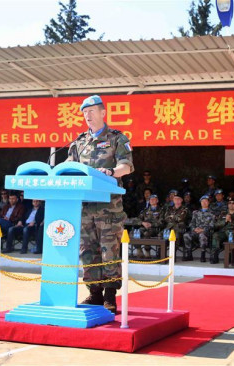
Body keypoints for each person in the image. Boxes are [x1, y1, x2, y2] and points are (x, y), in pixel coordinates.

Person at [66, 95, 134, 313]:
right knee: (88, 251)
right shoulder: (78, 142)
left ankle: (110, 295)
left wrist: (112, 172)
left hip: (109, 209)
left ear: (103, 113)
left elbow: (127, 166)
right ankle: (94, 293)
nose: (87, 115)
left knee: (109, 252)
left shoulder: (117, 138)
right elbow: (68, 167)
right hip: (84, 208)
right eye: (84, 112)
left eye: (92, 111)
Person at [210, 198, 234, 264]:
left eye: (233, 203)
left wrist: (231, 221)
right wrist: (225, 221)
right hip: (222, 232)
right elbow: (216, 224)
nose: (231, 204)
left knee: (231, 233)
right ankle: (214, 256)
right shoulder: (223, 213)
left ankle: (230, 257)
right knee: (215, 235)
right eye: (229, 203)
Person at [184, 195, 214, 262]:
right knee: (186, 235)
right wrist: (194, 229)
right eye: (202, 201)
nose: (204, 203)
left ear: (208, 202)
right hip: (195, 231)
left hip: (206, 232)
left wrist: (203, 230)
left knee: (202, 235)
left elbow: (212, 225)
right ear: (200, 203)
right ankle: (189, 255)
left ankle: (202, 256)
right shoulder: (196, 212)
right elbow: (192, 223)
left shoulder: (212, 213)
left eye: (206, 201)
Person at [163, 195, 190, 260]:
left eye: (178, 199)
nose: (177, 200)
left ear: (181, 200)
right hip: (169, 228)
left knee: (176, 236)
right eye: (175, 199)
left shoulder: (185, 209)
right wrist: (174, 217)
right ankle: (161, 255)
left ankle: (172, 255)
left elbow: (181, 218)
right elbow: (166, 218)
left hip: (179, 228)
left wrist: (171, 217)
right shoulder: (169, 208)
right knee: (161, 235)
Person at [137, 194, 164, 258]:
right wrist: (142, 223)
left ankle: (147, 252)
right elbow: (138, 219)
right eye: (150, 199)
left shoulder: (161, 210)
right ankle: (139, 250)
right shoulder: (145, 210)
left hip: (155, 229)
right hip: (144, 227)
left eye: (153, 199)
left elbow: (162, 222)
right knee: (135, 233)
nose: (152, 200)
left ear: (157, 200)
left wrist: (151, 224)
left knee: (147, 233)